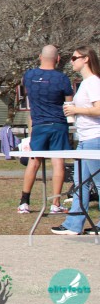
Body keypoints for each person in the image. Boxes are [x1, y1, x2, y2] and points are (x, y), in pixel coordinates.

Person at [18, 45, 73, 215]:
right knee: (58, 162)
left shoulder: (29, 76)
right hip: (58, 124)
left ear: (40, 56)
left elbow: (26, 91)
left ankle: (24, 202)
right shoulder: (62, 79)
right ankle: (55, 204)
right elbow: (69, 104)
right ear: (58, 59)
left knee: (34, 161)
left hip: (39, 124)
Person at [52, 46, 100, 235]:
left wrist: (76, 110)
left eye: (74, 58)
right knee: (80, 184)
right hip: (84, 139)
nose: (71, 61)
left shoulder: (93, 82)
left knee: (98, 183)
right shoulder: (85, 83)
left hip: (95, 139)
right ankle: (73, 224)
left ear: (86, 59)